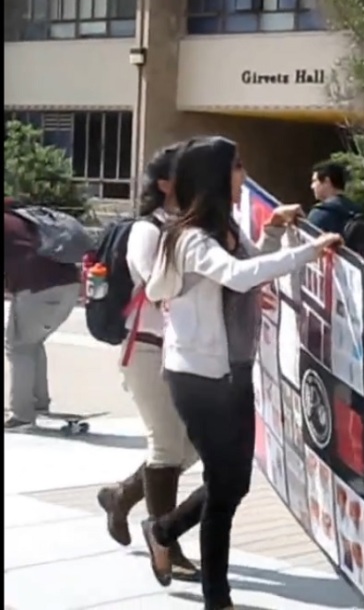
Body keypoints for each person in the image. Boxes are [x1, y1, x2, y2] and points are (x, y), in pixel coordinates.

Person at [139, 136, 342, 610]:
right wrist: (307, 253)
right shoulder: (189, 238)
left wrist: (272, 232)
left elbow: (249, 267)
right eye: (237, 167)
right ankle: (218, 598)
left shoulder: (226, 228)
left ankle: (163, 529)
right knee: (224, 487)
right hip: (196, 375)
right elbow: (237, 276)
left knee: (232, 483)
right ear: (214, 176)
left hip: (235, 370)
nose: (243, 178)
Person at [95, 143, 200, 581]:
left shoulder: (188, 228)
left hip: (181, 351)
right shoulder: (147, 230)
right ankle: (166, 541)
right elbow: (157, 287)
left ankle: (122, 495)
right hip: (147, 347)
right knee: (165, 445)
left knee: (190, 446)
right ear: (165, 185)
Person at [4, 198, 81, 429]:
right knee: (31, 342)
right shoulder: (24, 219)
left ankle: (22, 415)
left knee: (19, 347)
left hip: (39, 289)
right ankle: (38, 403)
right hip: (68, 286)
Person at [306, 160, 364, 234]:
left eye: (314, 181)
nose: (312, 186)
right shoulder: (359, 211)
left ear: (327, 181)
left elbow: (309, 243)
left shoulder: (319, 214)